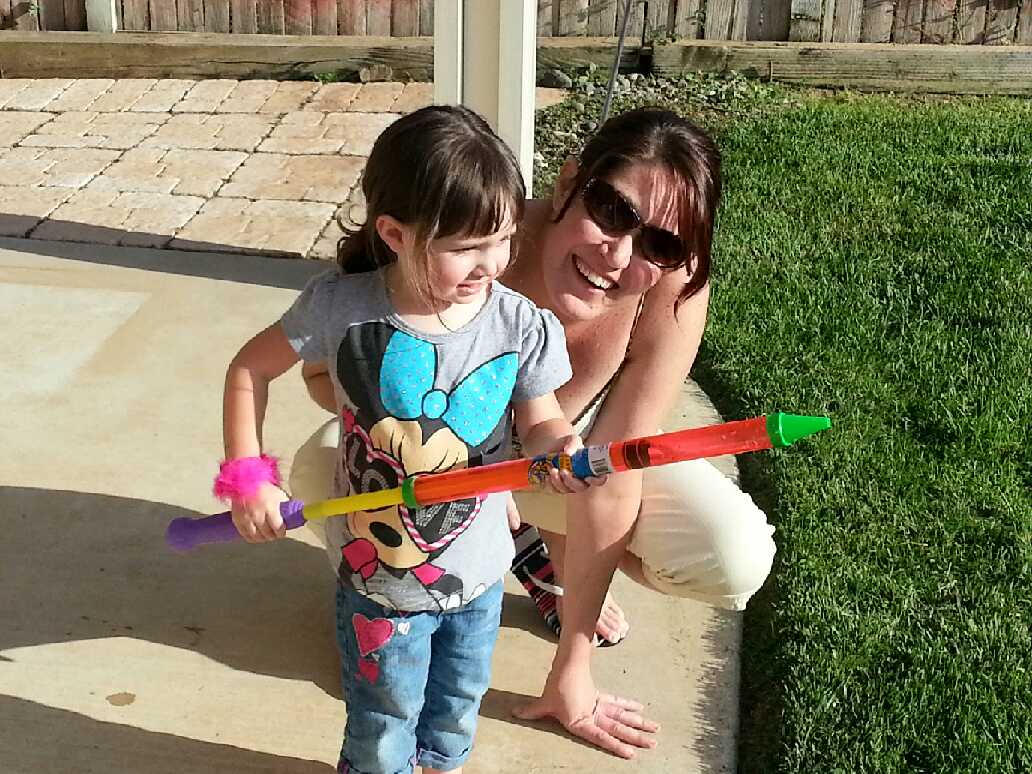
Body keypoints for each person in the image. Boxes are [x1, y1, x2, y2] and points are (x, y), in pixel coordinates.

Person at [293, 107, 778, 759]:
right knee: (318, 472)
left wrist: (573, 669)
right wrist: (415, 438)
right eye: (612, 210)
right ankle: (464, 567)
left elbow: (613, 473)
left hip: (562, 457)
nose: (620, 255)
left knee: (732, 555)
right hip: (432, 457)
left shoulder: (671, 290)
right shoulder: (472, 235)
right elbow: (320, 376)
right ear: (571, 180)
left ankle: (542, 556)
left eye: (661, 245)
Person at [215, 104, 606, 774]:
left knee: (456, 709)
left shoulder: (518, 324)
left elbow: (541, 420)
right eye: (464, 247)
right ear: (395, 233)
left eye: (503, 239)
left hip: (479, 573)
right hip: (377, 585)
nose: (490, 264)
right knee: (383, 719)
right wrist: (248, 478)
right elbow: (249, 370)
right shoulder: (343, 307)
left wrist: (558, 448)